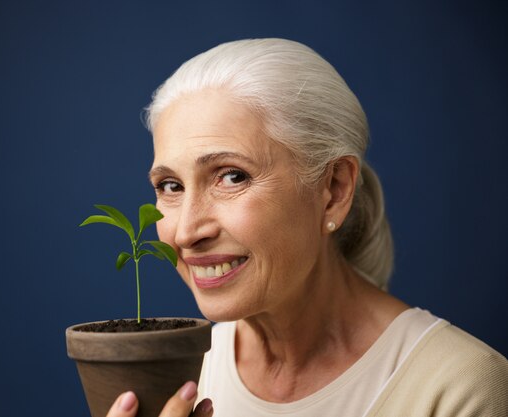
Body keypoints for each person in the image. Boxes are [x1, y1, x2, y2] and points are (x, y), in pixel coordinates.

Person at [106, 38, 508, 417]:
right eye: (170, 186)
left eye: (231, 177)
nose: (186, 232)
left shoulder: (463, 388)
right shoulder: (180, 374)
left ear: (333, 190)